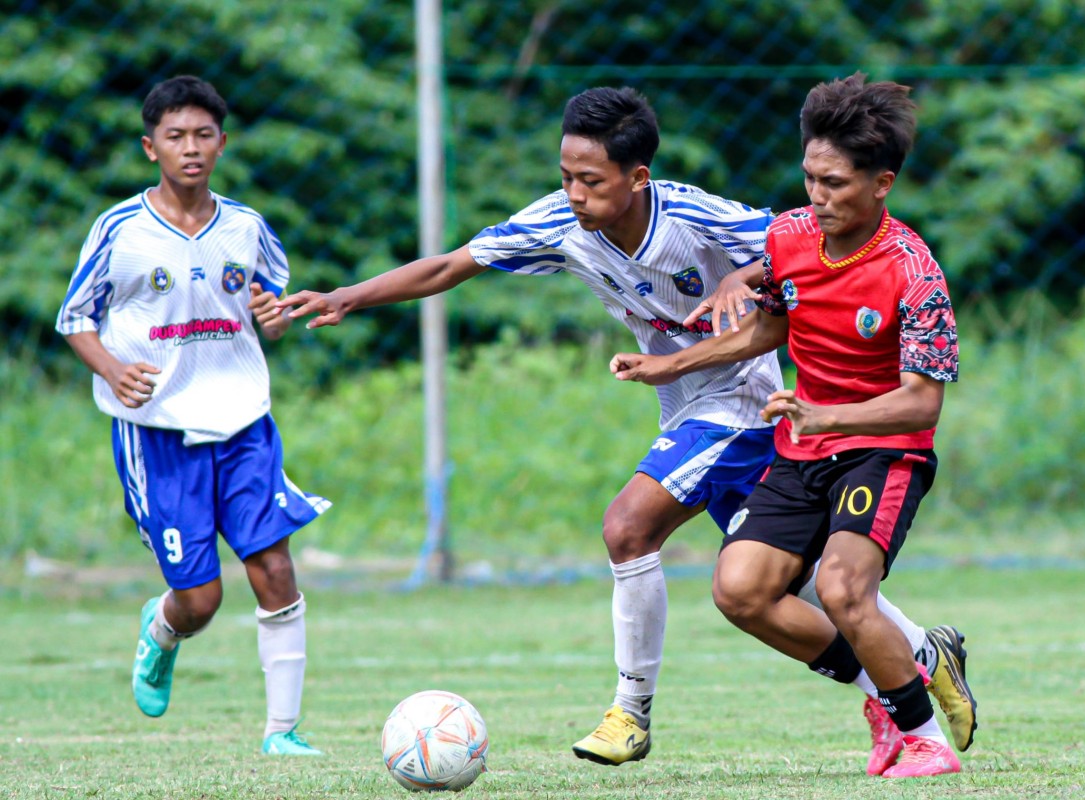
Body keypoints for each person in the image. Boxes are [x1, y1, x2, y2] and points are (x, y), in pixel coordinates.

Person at [278, 85, 974, 771]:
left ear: (637, 178)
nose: (574, 194)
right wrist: (349, 296)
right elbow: (453, 264)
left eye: (590, 180)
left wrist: (739, 280)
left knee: (629, 527)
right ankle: (918, 660)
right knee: (787, 585)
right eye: (566, 177)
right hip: (688, 402)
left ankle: (630, 712)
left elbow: (797, 247)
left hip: (744, 399)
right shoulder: (558, 223)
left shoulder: (696, 217)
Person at [608, 73, 968, 778]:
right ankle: (888, 691)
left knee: (842, 587)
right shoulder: (789, 237)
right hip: (804, 448)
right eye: (809, 178)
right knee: (740, 590)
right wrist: (670, 366)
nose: (817, 196)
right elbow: (768, 327)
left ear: (882, 184)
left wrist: (827, 413)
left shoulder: (914, 272)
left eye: (834, 183)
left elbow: (922, 403)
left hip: (883, 452)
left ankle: (927, 742)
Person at [55, 76, 330, 756]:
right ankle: (162, 630)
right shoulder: (120, 230)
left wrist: (274, 316)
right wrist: (112, 369)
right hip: (159, 433)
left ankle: (283, 732)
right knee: (201, 600)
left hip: (243, 422)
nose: (191, 148)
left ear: (222, 143)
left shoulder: (247, 227)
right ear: (150, 148)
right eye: (175, 136)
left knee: (274, 568)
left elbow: (272, 312)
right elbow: (75, 318)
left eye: (204, 135)